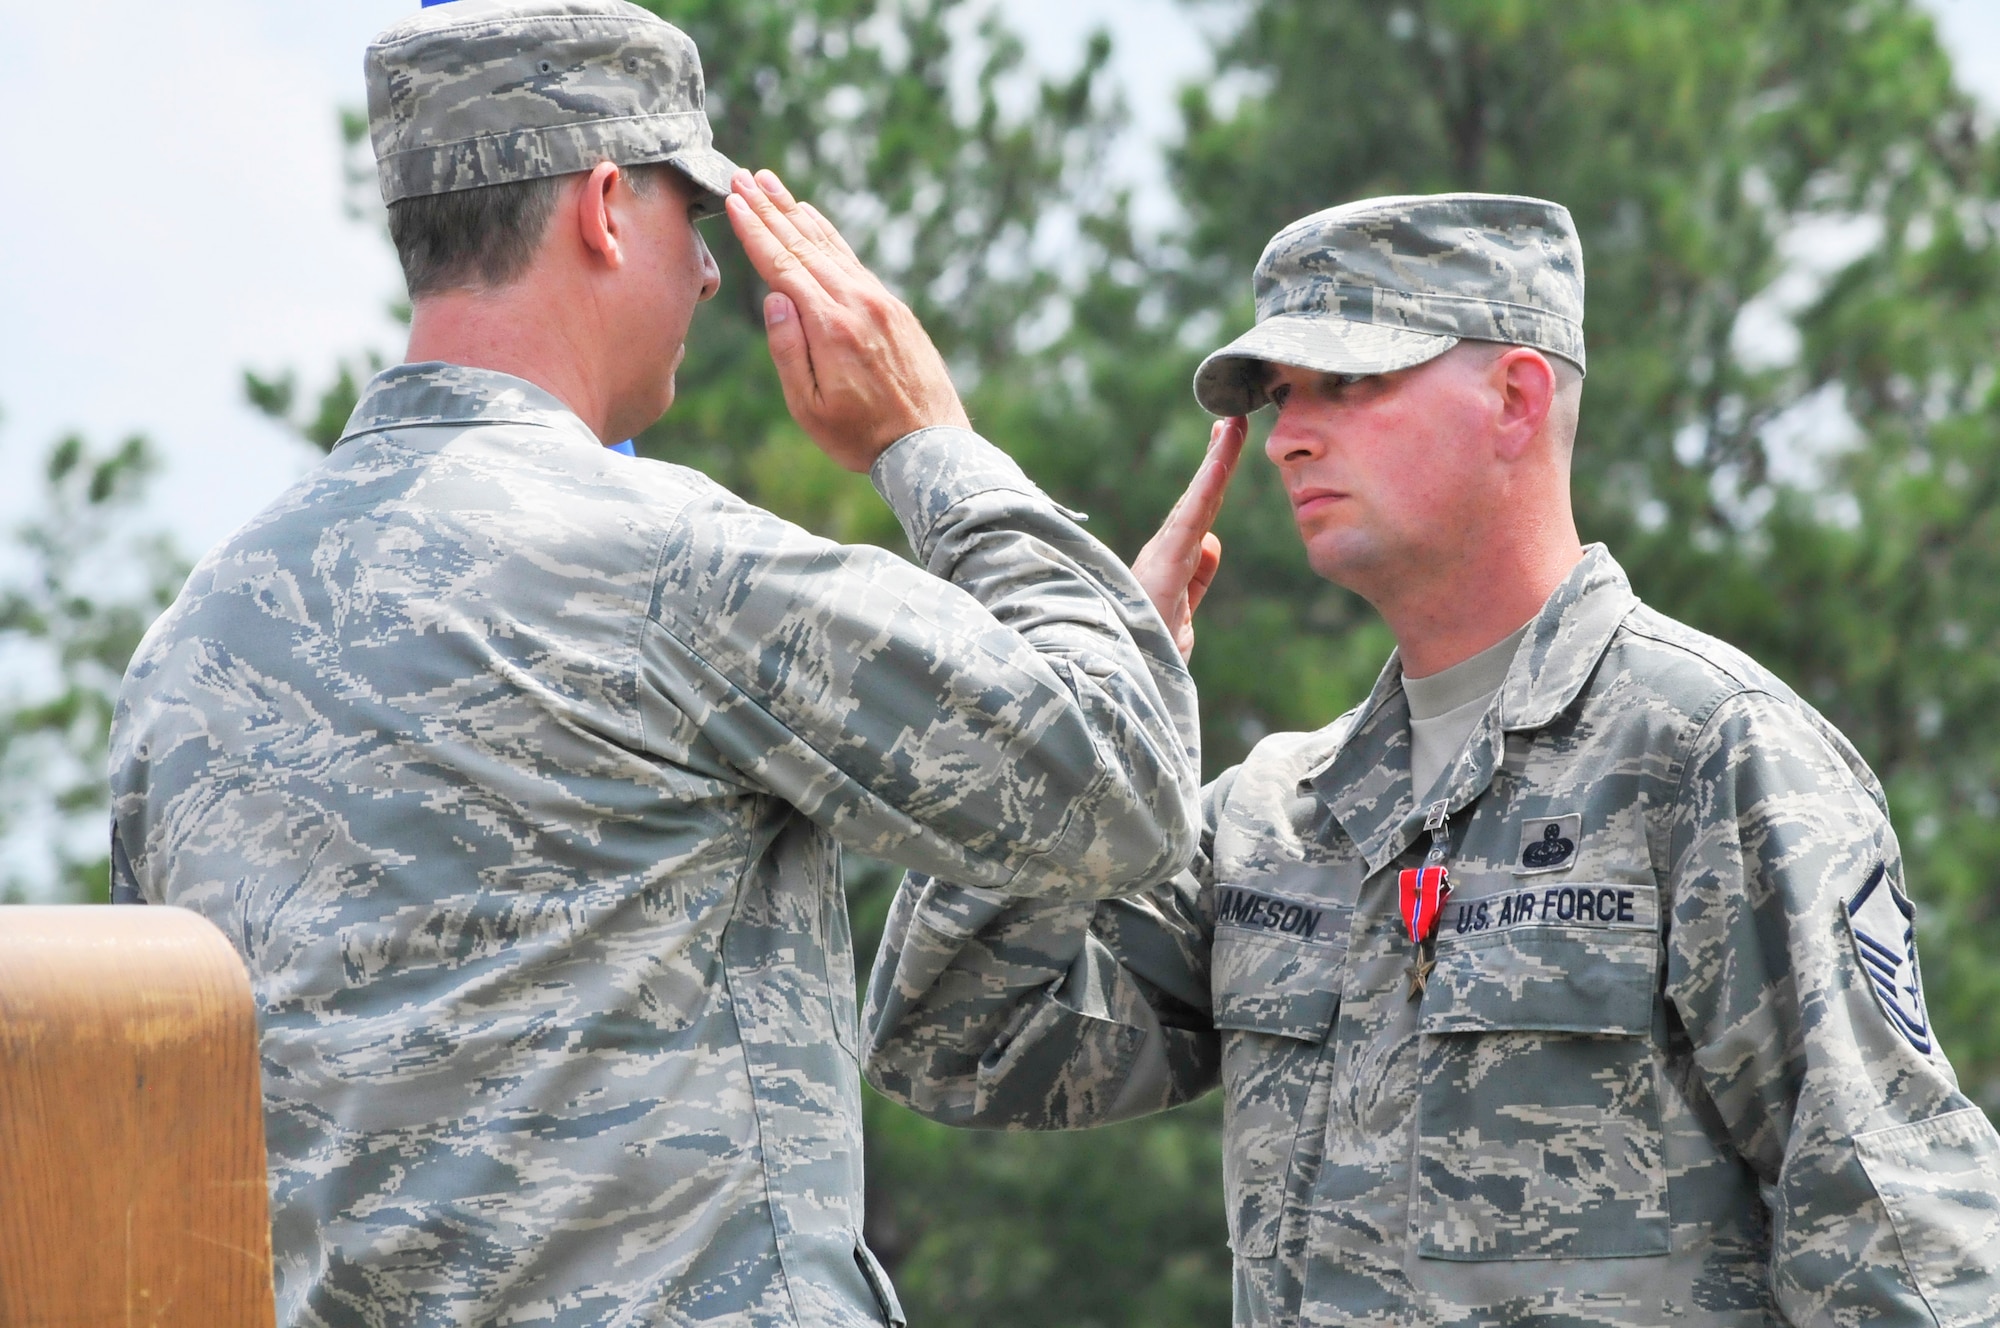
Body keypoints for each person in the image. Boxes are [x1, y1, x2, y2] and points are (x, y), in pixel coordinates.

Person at [107, 2, 1200, 1325]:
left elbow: (169, 1151)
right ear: (607, 208)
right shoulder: (671, 568)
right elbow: (1127, 789)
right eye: (697, 213)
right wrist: (931, 443)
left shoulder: (188, 653)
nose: (709, 275)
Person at [862, 193, 2000, 1326]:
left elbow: (1893, 1240)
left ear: (1514, 398)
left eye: (1349, 383)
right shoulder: (1279, 815)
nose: (1293, 435)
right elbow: (956, 1040)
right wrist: (1086, 705)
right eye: (1280, 398)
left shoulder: (1710, 755)